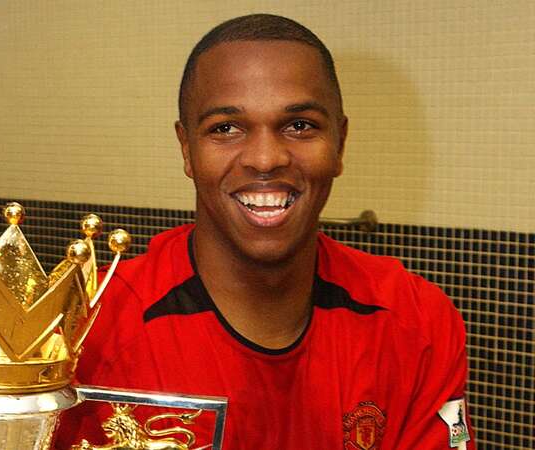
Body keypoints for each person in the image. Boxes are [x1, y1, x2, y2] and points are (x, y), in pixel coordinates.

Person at [54, 13, 474, 449]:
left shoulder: (419, 321)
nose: (265, 158)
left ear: (340, 143)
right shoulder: (86, 328)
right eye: (226, 128)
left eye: (299, 126)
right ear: (187, 149)